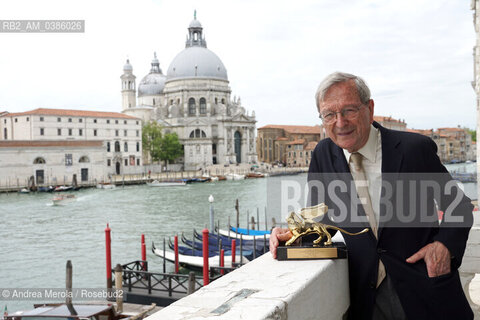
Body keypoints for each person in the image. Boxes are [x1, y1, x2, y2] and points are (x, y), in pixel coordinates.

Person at [270, 72, 474, 320]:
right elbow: (324, 218)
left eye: (349, 110)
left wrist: (444, 246)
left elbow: (460, 207)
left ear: (369, 108)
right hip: (366, 298)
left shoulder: (413, 150)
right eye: (329, 114)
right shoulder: (323, 154)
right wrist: (294, 234)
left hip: (425, 287)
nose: (340, 122)